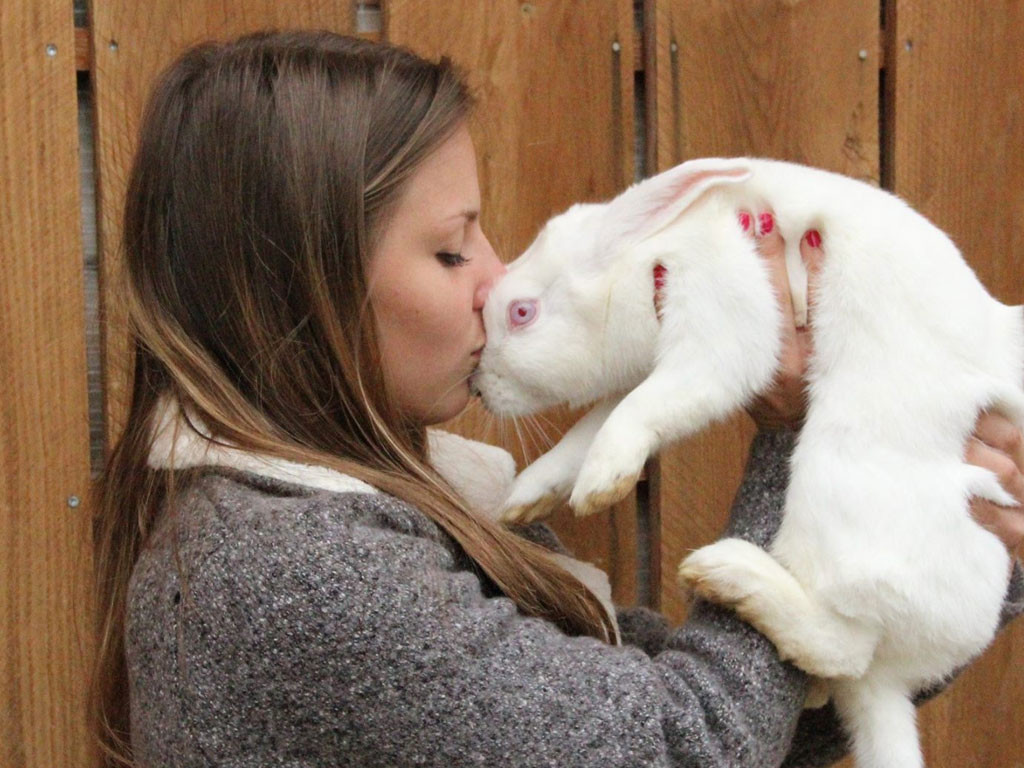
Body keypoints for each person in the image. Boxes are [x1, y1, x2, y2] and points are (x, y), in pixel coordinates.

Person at [89, 30, 1024, 767]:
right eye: (453, 250)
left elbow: (730, 714)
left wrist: (964, 543)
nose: (494, 281)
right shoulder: (294, 573)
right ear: (300, 289)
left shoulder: (384, 508)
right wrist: (800, 426)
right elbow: (682, 743)